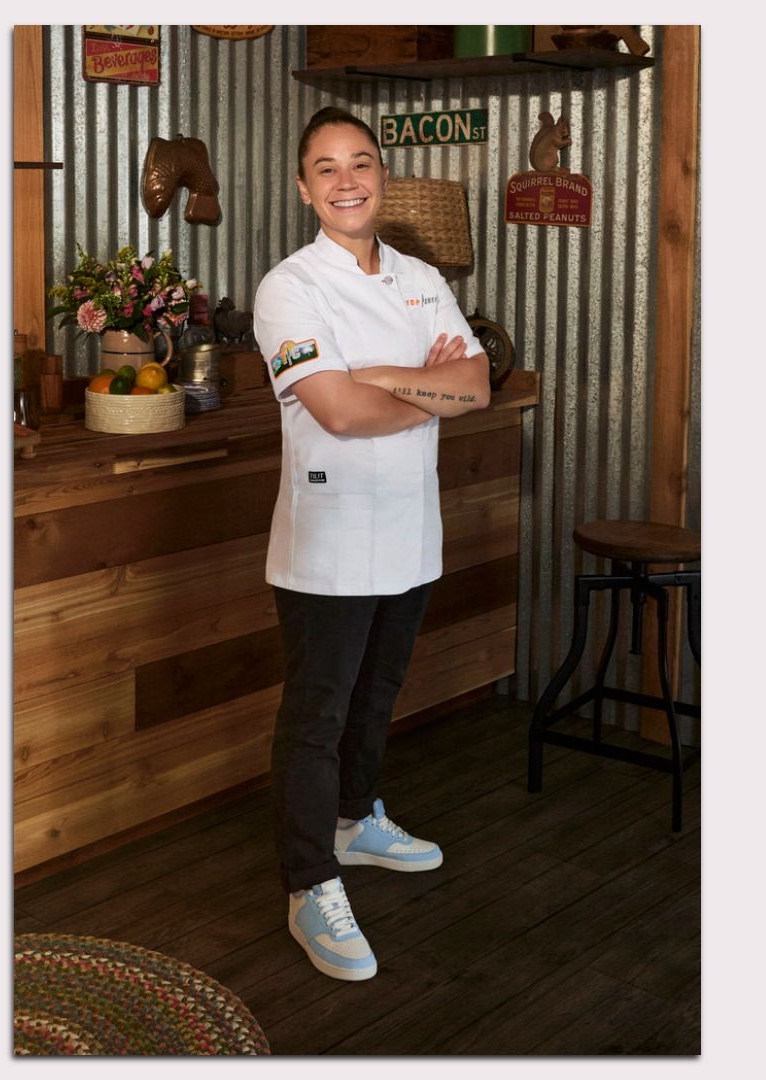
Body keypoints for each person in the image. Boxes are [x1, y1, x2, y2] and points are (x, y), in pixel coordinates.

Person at [251, 105, 491, 982]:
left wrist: (387, 378)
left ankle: (356, 820)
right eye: (326, 167)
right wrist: (423, 386)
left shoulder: (423, 276)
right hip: (330, 533)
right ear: (304, 186)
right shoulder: (290, 288)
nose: (346, 180)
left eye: (361, 163)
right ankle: (309, 882)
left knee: (378, 690)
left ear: (383, 177)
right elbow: (337, 411)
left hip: (409, 526)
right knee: (317, 713)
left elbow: (477, 387)